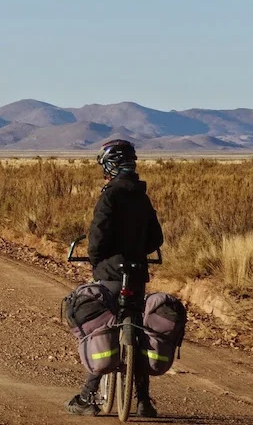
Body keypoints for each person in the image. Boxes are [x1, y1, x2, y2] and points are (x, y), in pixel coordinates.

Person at [66, 139, 164, 417]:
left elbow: (97, 236)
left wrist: (98, 261)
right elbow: (156, 238)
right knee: (138, 330)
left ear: (110, 165)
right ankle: (143, 401)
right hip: (137, 273)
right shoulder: (141, 196)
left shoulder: (110, 195)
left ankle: (87, 396)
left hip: (110, 272)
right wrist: (136, 251)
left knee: (103, 329)